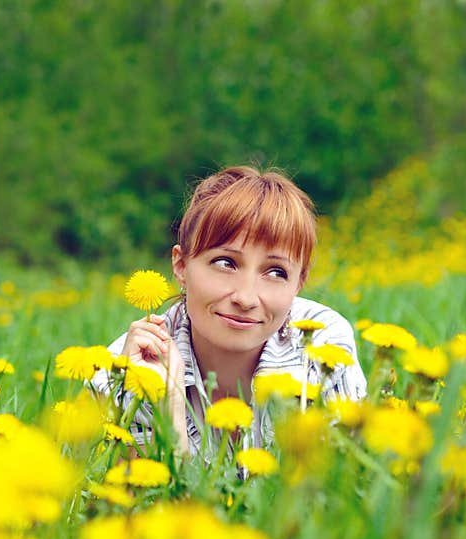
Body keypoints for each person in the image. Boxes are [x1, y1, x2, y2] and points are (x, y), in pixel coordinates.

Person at [93, 165, 367, 461]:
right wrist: (165, 409)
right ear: (181, 265)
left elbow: (345, 492)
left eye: (276, 272)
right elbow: (148, 502)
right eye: (225, 263)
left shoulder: (322, 346)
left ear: (299, 283)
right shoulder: (127, 368)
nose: (246, 297)